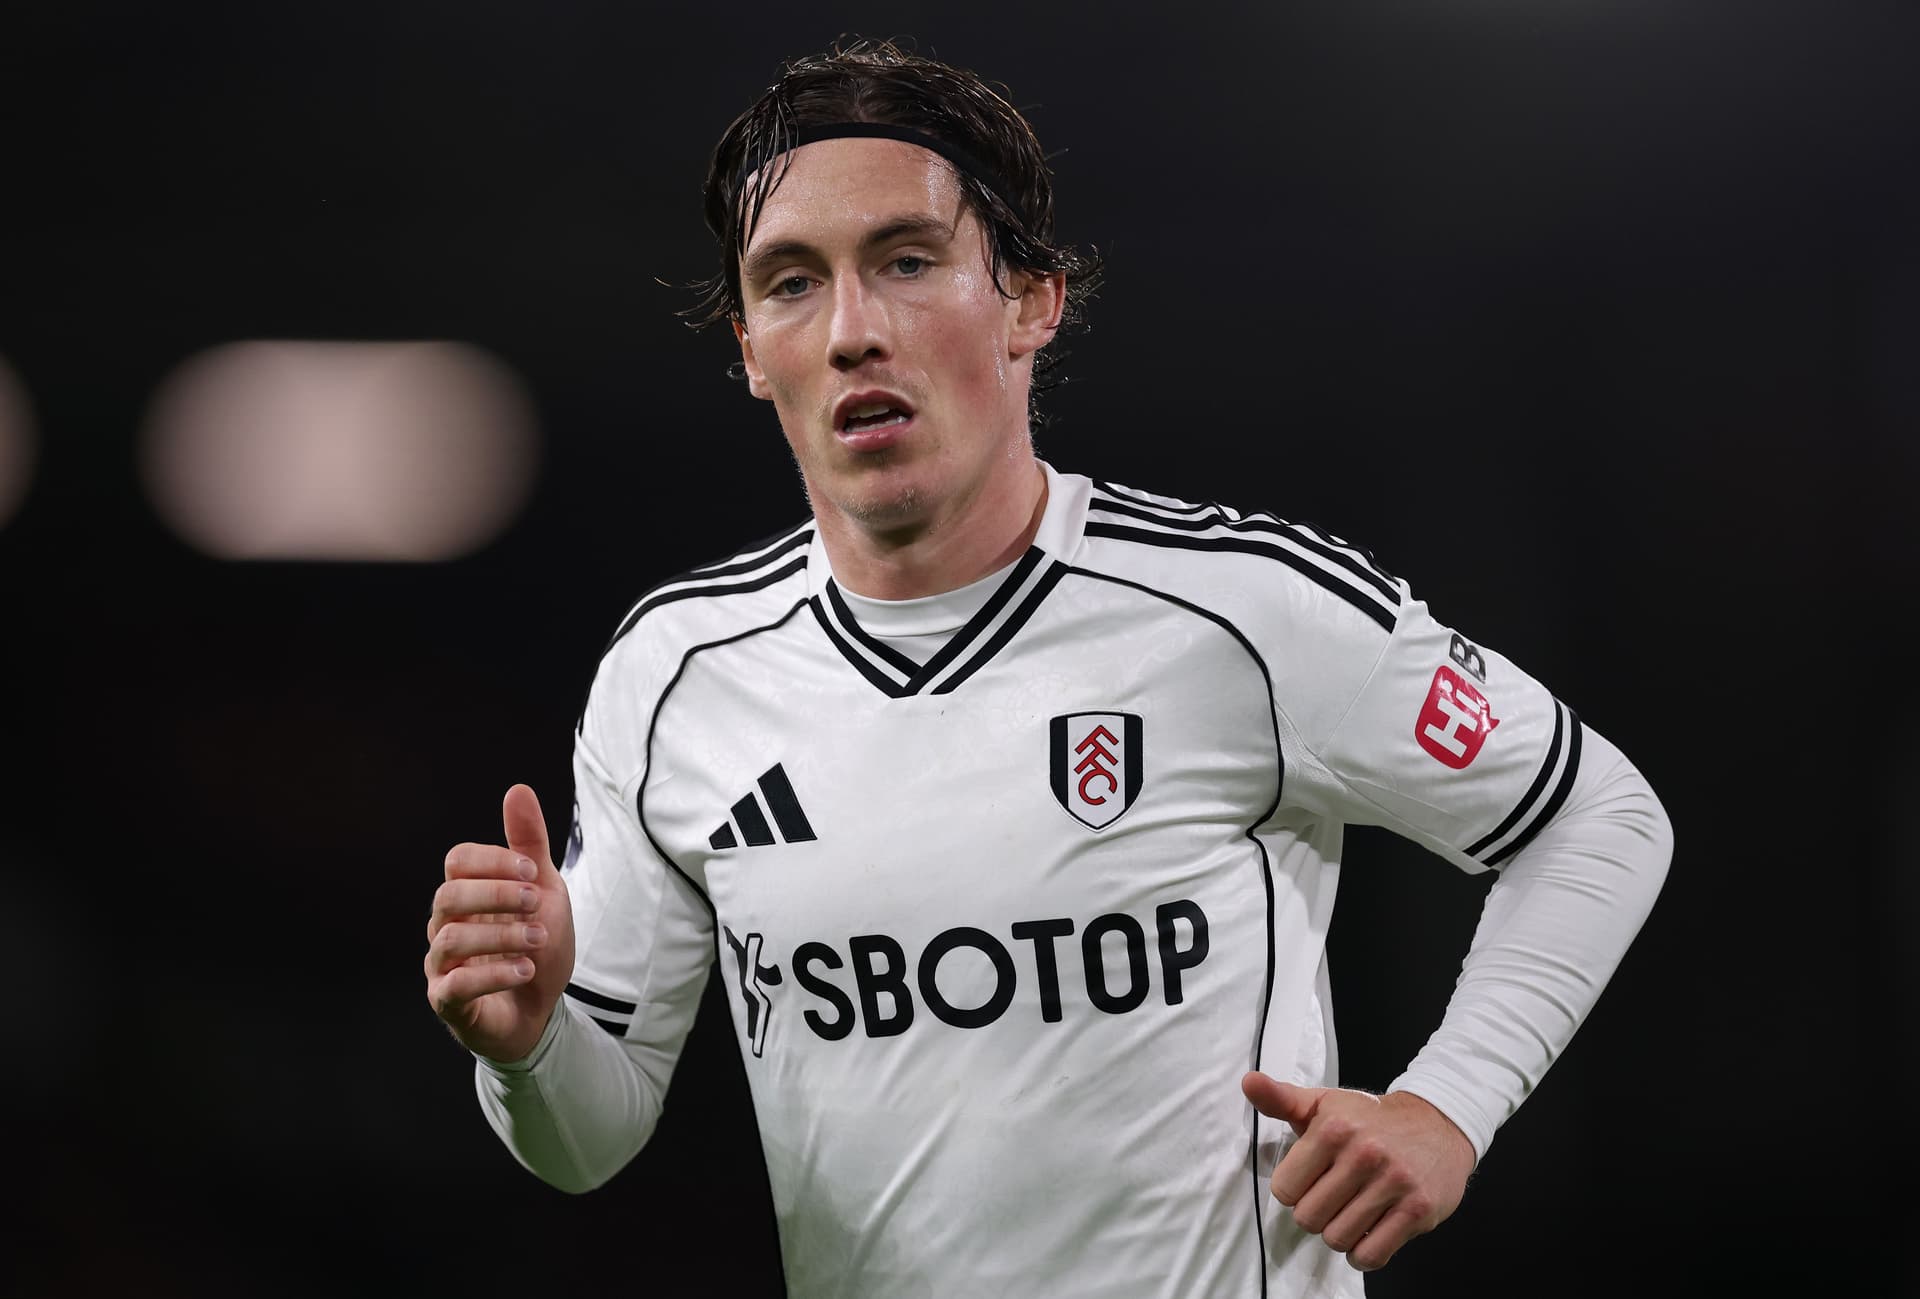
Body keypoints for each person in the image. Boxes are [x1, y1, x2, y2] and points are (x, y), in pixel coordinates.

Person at [423, 37, 1672, 1298]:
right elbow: (588, 1140)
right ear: (752, 350)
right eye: (793, 283)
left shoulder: (1239, 614)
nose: (853, 331)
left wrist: (1449, 1105)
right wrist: (526, 1048)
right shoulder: (677, 675)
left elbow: (1599, 817)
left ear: (1029, 299)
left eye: (907, 261)